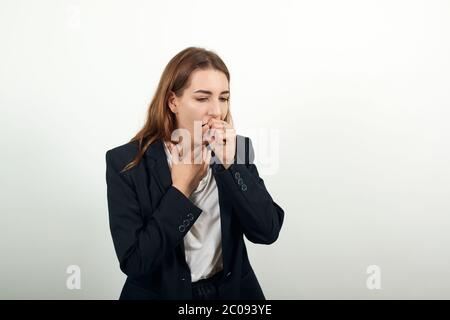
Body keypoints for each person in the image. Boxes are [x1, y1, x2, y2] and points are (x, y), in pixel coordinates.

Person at [105, 47, 285, 300]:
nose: (216, 111)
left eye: (223, 98)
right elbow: (136, 262)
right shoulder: (125, 163)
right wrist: (180, 190)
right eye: (202, 98)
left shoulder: (238, 148)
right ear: (173, 102)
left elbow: (267, 231)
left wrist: (230, 165)